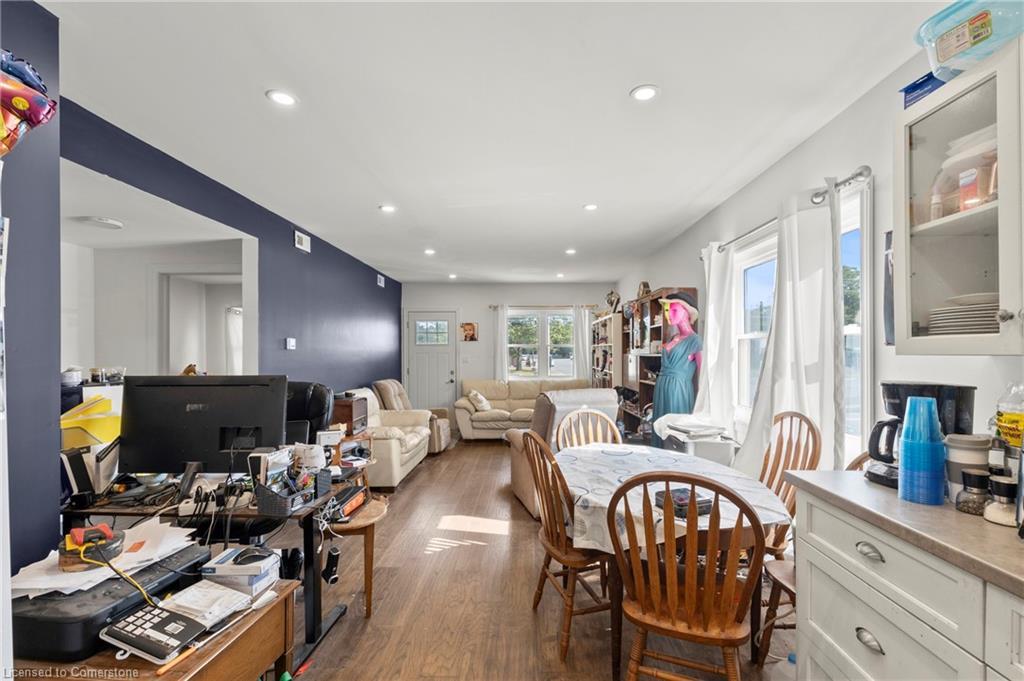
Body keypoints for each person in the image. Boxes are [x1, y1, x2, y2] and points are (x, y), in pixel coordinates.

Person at [651, 293, 702, 448]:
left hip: (678, 390)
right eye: (666, 311)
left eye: (673, 310)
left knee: (675, 434)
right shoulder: (673, 338)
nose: (668, 315)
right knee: (659, 428)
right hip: (661, 388)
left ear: (687, 312)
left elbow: (703, 375)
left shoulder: (695, 341)